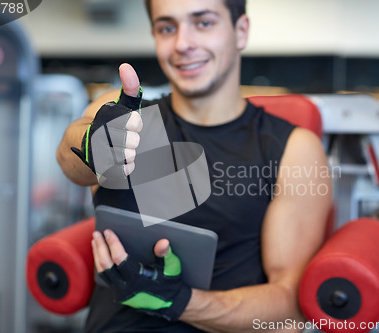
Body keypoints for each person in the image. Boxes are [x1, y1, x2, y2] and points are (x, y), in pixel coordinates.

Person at [56, 0, 332, 331]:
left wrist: (179, 301)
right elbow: (69, 158)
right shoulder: (126, 116)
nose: (183, 44)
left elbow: (289, 308)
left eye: (203, 23)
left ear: (240, 31)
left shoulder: (292, 148)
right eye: (167, 28)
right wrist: (93, 144)